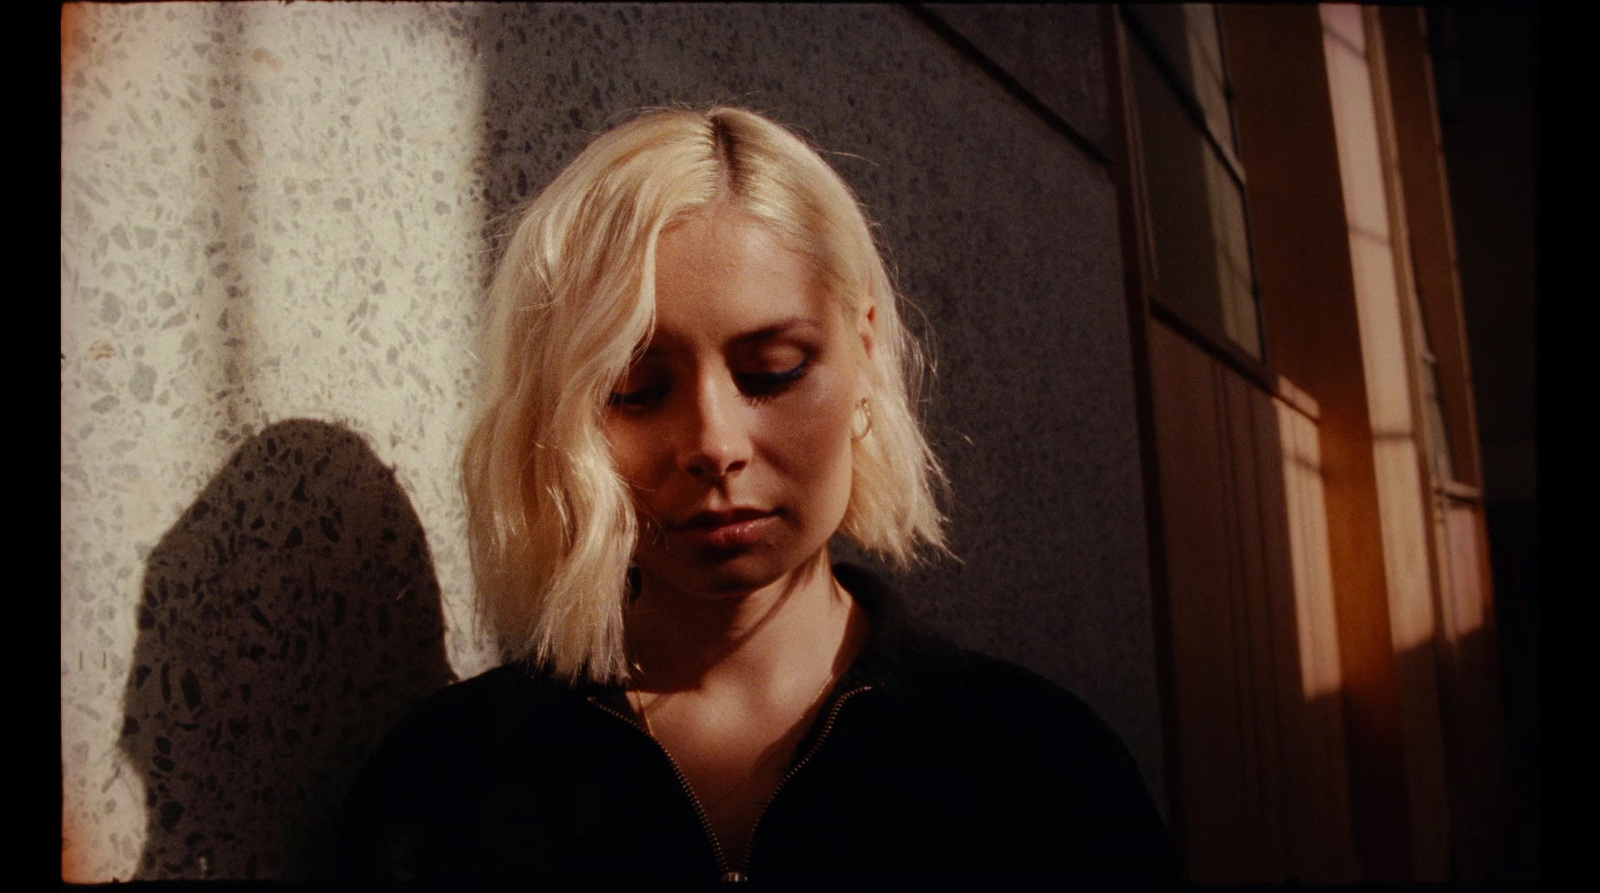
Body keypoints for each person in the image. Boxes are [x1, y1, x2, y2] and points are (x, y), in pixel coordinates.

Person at [339, 106, 1180, 889]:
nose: (713, 444)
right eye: (635, 387)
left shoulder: (1038, 765)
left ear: (863, 352)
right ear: (558, 416)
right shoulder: (443, 784)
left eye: (772, 371)